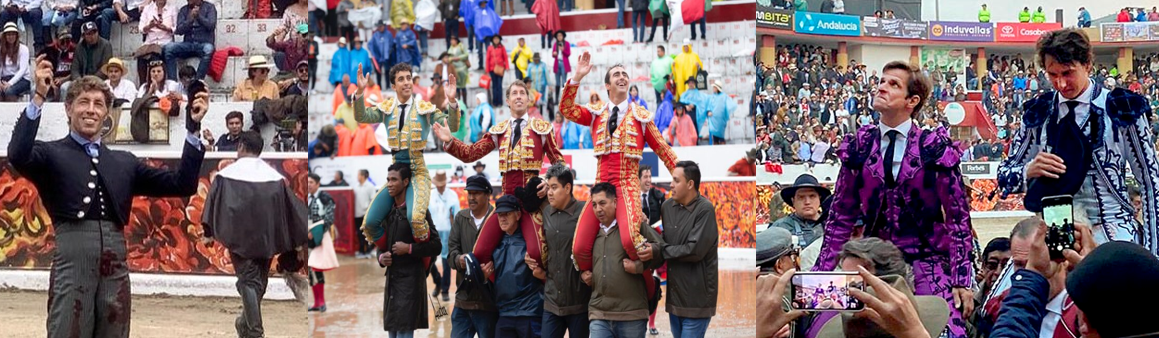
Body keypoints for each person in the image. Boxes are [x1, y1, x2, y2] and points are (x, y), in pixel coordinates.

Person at [13, 56, 206, 337]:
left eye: (99, 104)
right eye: (83, 102)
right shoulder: (50, 153)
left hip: (116, 261)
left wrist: (192, 128)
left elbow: (183, 184)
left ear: (107, 114)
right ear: (68, 109)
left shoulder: (124, 161)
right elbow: (18, 154)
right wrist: (39, 96)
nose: (91, 110)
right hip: (72, 256)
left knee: (115, 331)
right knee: (67, 329)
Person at [816, 60, 974, 338]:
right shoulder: (860, 146)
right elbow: (840, 217)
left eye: (893, 84)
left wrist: (962, 280)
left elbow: (958, 220)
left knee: (949, 332)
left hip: (928, 263)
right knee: (821, 329)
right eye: (882, 81)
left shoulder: (933, 147)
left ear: (912, 101)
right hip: (873, 263)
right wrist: (821, 273)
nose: (882, 87)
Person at [997, 29, 1159, 255]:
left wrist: (1154, 252)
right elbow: (1004, 178)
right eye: (1052, 74)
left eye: (1068, 73)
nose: (1061, 83)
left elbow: (1151, 182)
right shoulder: (1040, 111)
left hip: (1114, 225)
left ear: (1088, 65)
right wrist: (1028, 170)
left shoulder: (1121, 108)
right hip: (1057, 225)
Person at [560, 52, 679, 312]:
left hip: (626, 187)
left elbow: (662, 148)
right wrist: (577, 77)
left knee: (630, 242)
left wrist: (681, 176)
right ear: (607, 85)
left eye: (625, 74)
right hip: (601, 187)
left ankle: (649, 290)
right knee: (579, 247)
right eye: (617, 74)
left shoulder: (641, 116)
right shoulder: (596, 114)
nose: (622, 77)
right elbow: (566, 109)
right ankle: (597, 285)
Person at [434, 81, 562, 270]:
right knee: (479, 253)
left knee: (537, 254)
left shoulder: (542, 129)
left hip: (531, 203)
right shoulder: (498, 131)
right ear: (508, 101)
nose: (518, 96)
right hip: (505, 201)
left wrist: (548, 181)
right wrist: (450, 141)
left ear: (528, 100)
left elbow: (559, 162)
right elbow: (471, 153)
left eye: (522, 93)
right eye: (514, 94)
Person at [201, 131, 309, 338]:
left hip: (238, 236)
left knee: (251, 282)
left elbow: (211, 203)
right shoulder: (274, 177)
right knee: (256, 281)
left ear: (240, 146)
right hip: (267, 236)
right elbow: (292, 209)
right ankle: (249, 326)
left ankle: (250, 328)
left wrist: (208, 232)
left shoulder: (225, 176)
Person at [353, 62, 459, 253]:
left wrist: (451, 102)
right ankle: (391, 254)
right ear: (393, 86)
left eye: (409, 78)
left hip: (418, 172)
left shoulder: (424, 108)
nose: (407, 82)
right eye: (401, 79)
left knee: (417, 219)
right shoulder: (386, 108)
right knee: (369, 223)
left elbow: (452, 125)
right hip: (395, 174)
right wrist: (360, 91)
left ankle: (424, 260)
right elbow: (361, 116)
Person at [991, 220, 1159, 338]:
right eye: (1020, 264)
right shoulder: (996, 307)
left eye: (1034, 261)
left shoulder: (1083, 301)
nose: (1029, 269)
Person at [583, 182, 665, 338]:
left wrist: (639, 266)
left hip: (631, 315)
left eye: (602, 203)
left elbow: (662, 252)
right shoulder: (590, 234)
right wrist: (582, 275)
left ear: (615, 202)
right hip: (599, 314)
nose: (598, 209)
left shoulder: (634, 227)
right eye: (594, 205)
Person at [377, 162, 443, 337]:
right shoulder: (387, 211)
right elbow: (381, 247)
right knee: (392, 332)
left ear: (406, 182)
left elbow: (436, 245)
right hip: (392, 280)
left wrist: (409, 248)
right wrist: (381, 258)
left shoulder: (417, 212)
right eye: (388, 180)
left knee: (405, 332)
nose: (389, 184)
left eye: (394, 180)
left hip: (411, 280)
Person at [653, 161, 718, 338]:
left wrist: (660, 250)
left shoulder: (705, 210)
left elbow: (694, 251)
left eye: (676, 180)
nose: (671, 185)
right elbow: (663, 241)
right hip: (674, 299)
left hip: (698, 300)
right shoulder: (667, 207)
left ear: (690, 184)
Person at [540, 164, 592, 338]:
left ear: (568, 188)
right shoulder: (546, 212)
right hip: (552, 301)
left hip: (579, 302)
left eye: (554, 188)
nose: (550, 193)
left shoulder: (586, 212)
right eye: (549, 188)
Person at [449, 175, 500, 338]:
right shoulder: (461, 218)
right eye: (469, 193)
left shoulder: (497, 218)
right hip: (464, 299)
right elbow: (451, 253)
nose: (471, 197)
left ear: (487, 195)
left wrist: (490, 270)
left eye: (476, 193)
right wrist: (459, 260)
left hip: (489, 302)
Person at [487, 193, 545, 337]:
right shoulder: (495, 243)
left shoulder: (531, 244)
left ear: (518, 215)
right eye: (500, 215)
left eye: (507, 214)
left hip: (529, 312)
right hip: (504, 312)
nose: (503, 218)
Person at [307, 173, 339, 313]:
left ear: (318, 184)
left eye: (311, 182)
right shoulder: (305, 197)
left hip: (320, 236)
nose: (308, 184)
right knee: (310, 269)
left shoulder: (325, 198)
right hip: (307, 236)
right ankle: (316, 302)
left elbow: (329, 218)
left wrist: (316, 233)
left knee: (317, 268)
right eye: (307, 182)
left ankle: (321, 302)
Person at [769, 173, 829, 248]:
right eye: (801, 197)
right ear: (793, 201)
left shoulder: (832, 225)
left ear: (819, 199)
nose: (807, 202)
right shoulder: (780, 228)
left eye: (812, 196)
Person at [428, 170, 460, 301]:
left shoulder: (452, 195)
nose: (440, 186)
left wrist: (456, 232)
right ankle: (438, 281)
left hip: (448, 231)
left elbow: (457, 215)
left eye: (442, 184)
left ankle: (445, 289)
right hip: (433, 231)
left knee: (447, 261)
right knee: (429, 259)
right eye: (438, 184)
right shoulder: (430, 195)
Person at [167, 0, 217, 80]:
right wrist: (190, 20)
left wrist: (198, 16)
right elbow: (179, 31)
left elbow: (211, 26)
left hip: (203, 44)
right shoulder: (184, 10)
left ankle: (198, 81)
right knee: (168, 48)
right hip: (188, 44)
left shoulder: (209, 7)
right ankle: (172, 82)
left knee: (209, 49)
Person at [137, 0, 176, 85]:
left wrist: (165, 28)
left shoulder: (173, 8)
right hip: (150, 43)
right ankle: (143, 86)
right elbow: (141, 28)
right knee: (141, 57)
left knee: (155, 57)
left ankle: (158, 86)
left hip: (165, 42)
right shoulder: (147, 9)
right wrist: (150, 26)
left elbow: (177, 28)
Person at [0, 22, 30, 102]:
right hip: (5, 77)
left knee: (9, 91)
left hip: (22, 79)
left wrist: (9, 83)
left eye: (13, 34)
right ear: (5, 36)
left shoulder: (23, 49)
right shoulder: (1, 49)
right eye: (8, 34)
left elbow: (22, 70)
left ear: (16, 36)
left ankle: (11, 112)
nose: (11, 37)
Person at [367, 22, 394, 88]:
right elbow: (370, 44)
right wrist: (374, 53)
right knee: (378, 73)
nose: (380, 28)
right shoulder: (375, 35)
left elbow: (392, 44)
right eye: (379, 26)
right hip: (378, 57)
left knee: (387, 72)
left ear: (384, 26)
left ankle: (388, 86)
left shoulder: (388, 34)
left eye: (381, 26)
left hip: (387, 57)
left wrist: (389, 52)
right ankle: (379, 87)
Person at [486, 35, 509, 106]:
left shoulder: (502, 47)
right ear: (492, 40)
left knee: (499, 85)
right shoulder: (490, 48)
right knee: (494, 86)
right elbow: (487, 59)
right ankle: (494, 102)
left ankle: (500, 102)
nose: (496, 40)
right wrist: (487, 70)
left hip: (500, 69)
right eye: (494, 39)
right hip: (492, 69)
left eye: (497, 39)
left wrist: (507, 67)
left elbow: (505, 57)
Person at [448, 36, 470, 101]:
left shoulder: (461, 46)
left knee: (463, 86)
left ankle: (465, 102)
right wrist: (451, 59)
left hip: (462, 69)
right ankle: (459, 101)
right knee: (456, 87)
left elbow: (466, 54)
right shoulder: (450, 49)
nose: (452, 42)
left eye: (453, 40)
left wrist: (459, 57)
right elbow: (448, 58)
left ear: (456, 41)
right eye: (451, 40)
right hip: (455, 70)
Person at [551, 31, 570, 99]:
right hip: (557, 63)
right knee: (557, 82)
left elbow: (568, 54)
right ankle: (556, 98)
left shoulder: (567, 43)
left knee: (564, 81)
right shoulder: (555, 44)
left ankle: (564, 98)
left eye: (560, 36)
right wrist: (554, 54)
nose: (559, 37)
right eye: (558, 36)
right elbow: (553, 55)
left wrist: (563, 50)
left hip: (563, 63)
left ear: (563, 36)